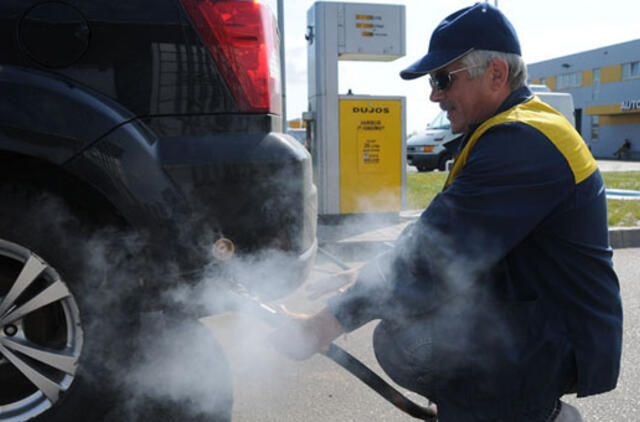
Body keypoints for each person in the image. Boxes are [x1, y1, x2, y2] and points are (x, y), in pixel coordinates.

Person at [268, 4, 622, 421]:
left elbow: (437, 254)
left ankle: (525, 411)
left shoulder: (520, 141)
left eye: (442, 79)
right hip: (537, 318)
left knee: (407, 338)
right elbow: (438, 233)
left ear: (496, 74)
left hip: (554, 334)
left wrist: (323, 325)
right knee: (406, 333)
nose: (434, 94)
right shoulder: (509, 130)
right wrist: (369, 273)